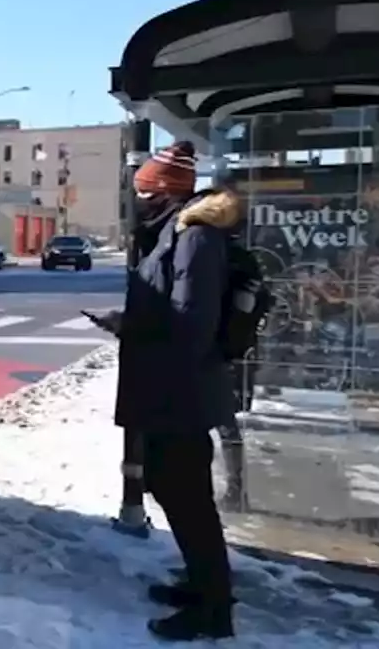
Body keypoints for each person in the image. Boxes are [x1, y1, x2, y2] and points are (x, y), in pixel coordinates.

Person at [114, 141, 241, 641]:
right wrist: (130, 321)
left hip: (180, 396)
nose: (139, 197)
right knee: (177, 492)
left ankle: (213, 610)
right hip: (174, 391)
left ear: (164, 192)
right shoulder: (175, 232)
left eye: (145, 189)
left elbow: (191, 321)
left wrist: (140, 331)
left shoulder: (194, 238)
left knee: (185, 497)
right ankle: (201, 584)